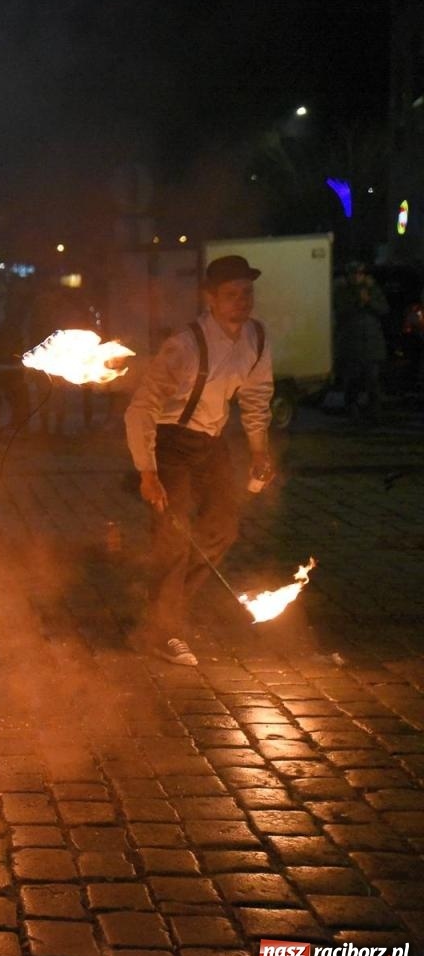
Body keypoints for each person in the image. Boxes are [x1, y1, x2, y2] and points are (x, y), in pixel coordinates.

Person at [123, 255, 274, 666]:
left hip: (211, 443)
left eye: (247, 292)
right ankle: (164, 631)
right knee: (173, 535)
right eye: (231, 294)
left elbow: (257, 399)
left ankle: (163, 608)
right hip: (170, 442)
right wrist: (147, 473)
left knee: (221, 529)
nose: (242, 301)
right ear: (211, 298)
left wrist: (259, 452)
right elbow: (141, 409)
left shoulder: (256, 339)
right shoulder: (185, 345)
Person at [333, 262, 389, 419]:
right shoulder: (343, 291)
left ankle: (375, 411)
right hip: (351, 345)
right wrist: (358, 302)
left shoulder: (372, 289)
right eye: (353, 273)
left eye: (360, 273)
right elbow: (341, 311)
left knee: (373, 380)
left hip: (371, 345)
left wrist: (369, 301)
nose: (357, 276)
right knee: (353, 379)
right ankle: (352, 407)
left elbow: (383, 309)